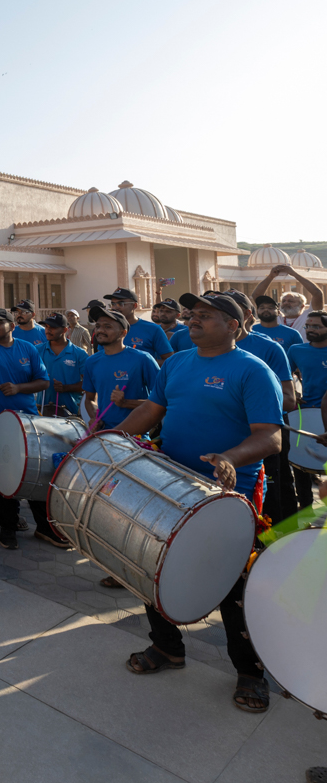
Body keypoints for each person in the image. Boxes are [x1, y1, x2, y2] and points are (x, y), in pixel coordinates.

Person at [114, 292, 281, 713]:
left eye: (207, 316)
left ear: (234, 326)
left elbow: (271, 437)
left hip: (227, 496)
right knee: (155, 564)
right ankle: (167, 647)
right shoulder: (175, 364)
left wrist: (230, 457)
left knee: (232, 587)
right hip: (170, 486)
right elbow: (152, 410)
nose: (194, 320)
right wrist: (110, 440)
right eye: (194, 314)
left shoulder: (253, 370)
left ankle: (249, 672)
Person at [0, 309, 66, 549]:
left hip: (29, 423)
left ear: (12, 325)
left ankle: (44, 528)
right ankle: (7, 527)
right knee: (4, 476)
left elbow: (43, 382)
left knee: (36, 474)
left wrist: (19, 388)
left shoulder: (28, 348)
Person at [223, 290, 298, 521]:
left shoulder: (269, 348)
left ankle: (280, 546)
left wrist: (249, 405)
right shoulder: (195, 351)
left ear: (245, 314)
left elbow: (289, 400)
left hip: (265, 435)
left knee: (275, 494)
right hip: (223, 443)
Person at [82, 307, 161, 432]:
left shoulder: (142, 359)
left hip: (135, 436)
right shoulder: (91, 362)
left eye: (107, 326)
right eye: (98, 326)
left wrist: (126, 403)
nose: (100, 330)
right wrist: (95, 417)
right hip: (105, 434)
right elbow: (89, 399)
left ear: (123, 333)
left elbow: (162, 401)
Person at [285, 310, 327, 511]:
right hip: (305, 414)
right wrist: (293, 392)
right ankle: (306, 513)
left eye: (316, 326)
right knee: (301, 465)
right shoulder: (296, 350)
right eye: (308, 326)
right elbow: (283, 377)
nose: (310, 329)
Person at [251, 263, 324, 336]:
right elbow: (257, 296)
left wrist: (294, 274)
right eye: (283, 301)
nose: (286, 303)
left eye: (290, 301)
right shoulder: (275, 317)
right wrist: (270, 276)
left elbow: (317, 294)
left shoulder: (309, 316)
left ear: (302, 306)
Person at [104, 288, 172, 362]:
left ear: (134, 305)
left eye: (121, 303)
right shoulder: (105, 329)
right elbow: (101, 357)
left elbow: (169, 360)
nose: (115, 307)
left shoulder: (153, 329)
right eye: (113, 304)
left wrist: (142, 363)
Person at [39, 313, 88, 416]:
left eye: (53, 327)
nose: (48, 330)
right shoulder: (36, 350)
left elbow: (89, 384)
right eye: (46, 327)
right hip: (41, 411)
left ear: (65, 330)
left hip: (71, 413)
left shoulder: (80, 354)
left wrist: (65, 388)